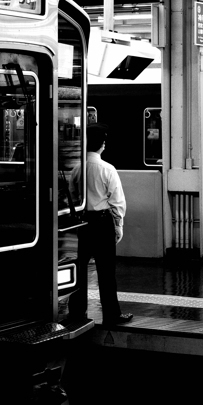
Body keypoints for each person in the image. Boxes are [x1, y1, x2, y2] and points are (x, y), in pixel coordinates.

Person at [70, 124, 131, 326]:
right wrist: (118, 226)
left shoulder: (76, 169)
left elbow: (71, 196)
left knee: (79, 271)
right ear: (103, 145)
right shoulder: (108, 169)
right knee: (106, 272)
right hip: (102, 223)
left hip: (81, 224)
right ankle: (111, 315)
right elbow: (117, 202)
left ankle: (77, 313)